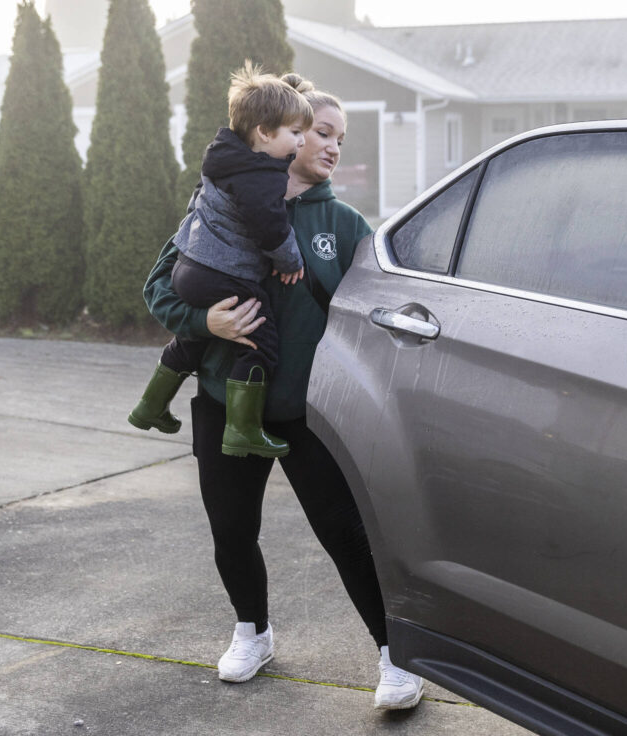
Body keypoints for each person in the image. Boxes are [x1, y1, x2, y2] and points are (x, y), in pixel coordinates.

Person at [141, 74, 424, 711]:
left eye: (339, 140)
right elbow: (158, 287)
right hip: (223, 404)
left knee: (345, 535)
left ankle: (395, 659)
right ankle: (253, 632)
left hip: (306, 414)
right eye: (320, 132)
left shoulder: (344, 224)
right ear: (280, 135)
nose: (330, 148)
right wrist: (203, 323)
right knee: (232, 531)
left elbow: (385, 312)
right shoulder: (214, 203)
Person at [128, 61, 313, 459]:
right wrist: (289, 260)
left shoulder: (224, 158)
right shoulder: (262, 175)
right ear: (264, 132)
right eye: (296, 133)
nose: (301, 142)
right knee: (259, 341)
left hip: (191, 268)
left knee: (193, 340)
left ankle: (150, 406)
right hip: (223, 273)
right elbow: (270, 227)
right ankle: (243, 429)